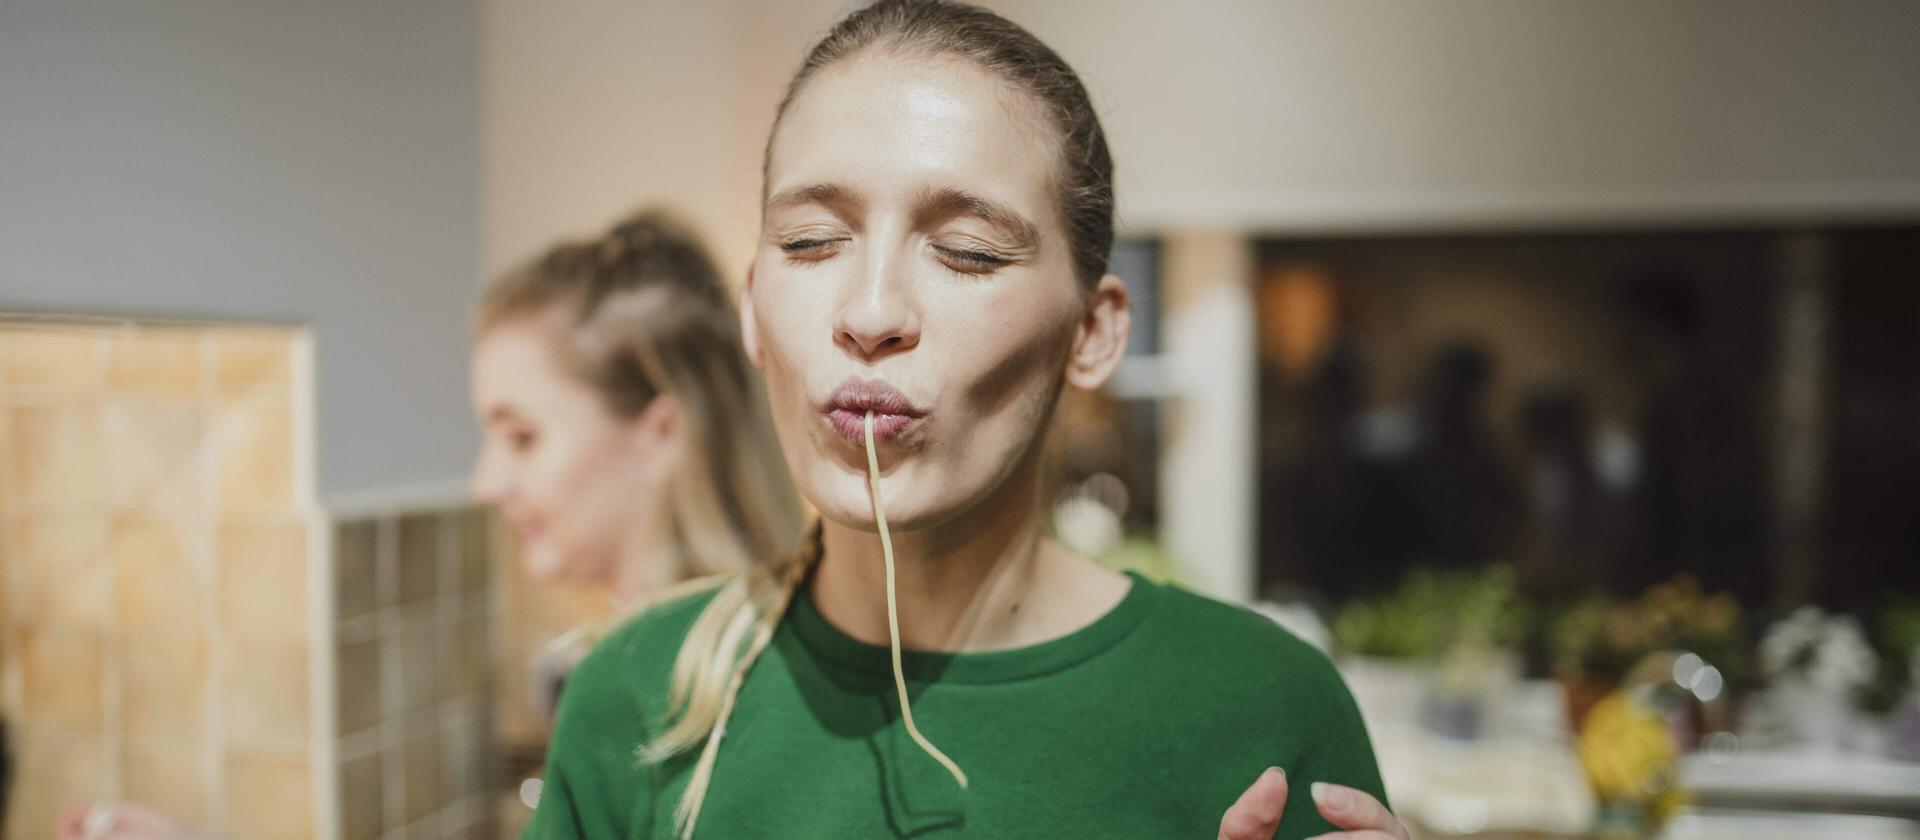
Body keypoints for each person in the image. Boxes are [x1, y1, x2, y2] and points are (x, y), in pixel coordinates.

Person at [527, 3, 1407, 839]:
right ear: (754, 309)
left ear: (1092, 334)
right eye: (809, 243)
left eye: (967, 253)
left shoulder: (1260, 710)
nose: (870, 313)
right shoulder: (634, 697)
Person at [55, 209, 804, 840]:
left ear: (659, 432)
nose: (485, 483)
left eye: (522, 436)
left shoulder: (663, 690)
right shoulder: (687, 658)